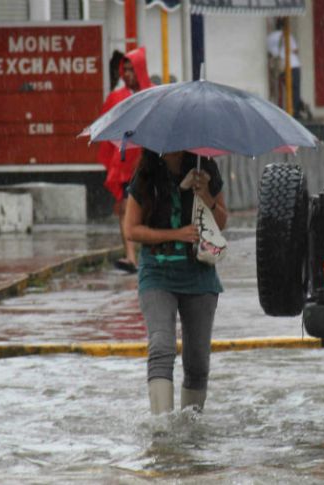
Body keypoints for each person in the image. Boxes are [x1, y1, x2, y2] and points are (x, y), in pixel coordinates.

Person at [124, 149, 227, 415]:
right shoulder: (145, 174)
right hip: (157, 274)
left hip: (199, 275)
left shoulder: (206, 168)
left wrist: (206, 196)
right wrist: (176, 234)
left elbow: (221, 222)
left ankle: (191, 426)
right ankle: (162, 426)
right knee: (161, 346)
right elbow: (131, 229)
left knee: (198, 361)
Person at [97, 46, 153, 274]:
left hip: (149, 163)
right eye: (125, 70)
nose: (128, 74)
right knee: (124, 209)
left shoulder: (152, 95)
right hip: (124, 164)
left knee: (149, 210)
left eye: (132, 69)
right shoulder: (117, 98)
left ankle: (148, 254)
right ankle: (131, 257)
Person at [267, 18, 305, 120]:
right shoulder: (287, 35)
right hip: (293, 65)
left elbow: (269, 52)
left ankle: (283, 109)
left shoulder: (269, 38)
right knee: (295, 90)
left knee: (283, 90)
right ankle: (295, 112)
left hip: (280, 68)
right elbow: (295, 50)